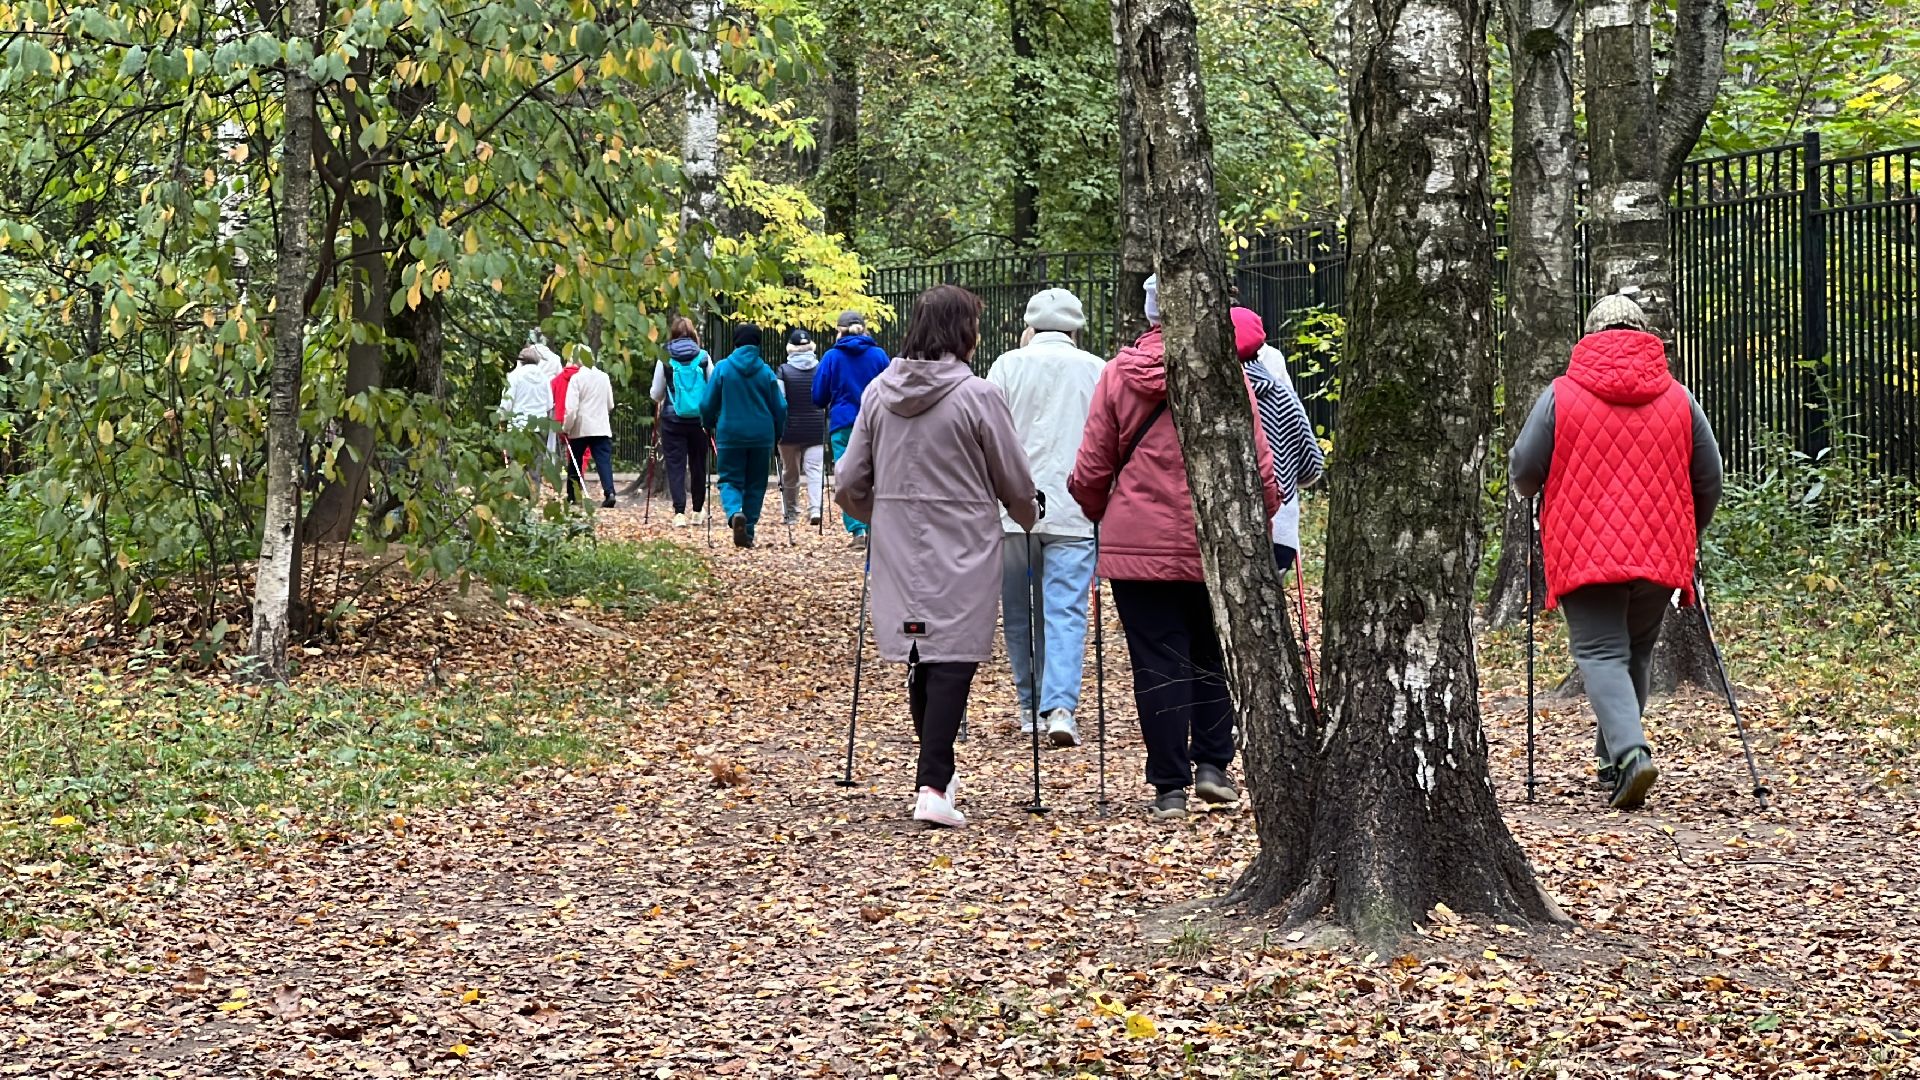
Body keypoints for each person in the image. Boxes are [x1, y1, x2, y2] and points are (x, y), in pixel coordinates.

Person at [1068, 275, 1281, 820]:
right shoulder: (1227, 372)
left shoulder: (1118, 375)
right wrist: (1262, 513)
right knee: (1212, 652)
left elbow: (1093, 463)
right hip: (1216, 540)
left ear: (1150, 315)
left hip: (1138, 546)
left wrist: (1097, 509)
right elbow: (1259, 460)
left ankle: (1169, 787)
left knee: (1157, 661)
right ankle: (1213, 765)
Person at [1509, 293, 1723, 811]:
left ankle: (1630, 754)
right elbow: (1710, 476)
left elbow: (1524, 469)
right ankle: (1612, 762)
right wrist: (1687, 532)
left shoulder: (1560, 395)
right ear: (1645, 336)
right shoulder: (1679, 398)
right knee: (1636, 650)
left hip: (1583, 548)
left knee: (1601, 651)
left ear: (1590, 337)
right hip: (1660, 550)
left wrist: (1533, 487)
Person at [835, 285, 1039, 828]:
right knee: (954, 656)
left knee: (921, 650)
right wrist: (1028, 512)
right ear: (961, 331)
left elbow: (848, 481)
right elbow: (1013, 477)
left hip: (898, 545)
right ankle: (932, 784)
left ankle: (937, 777)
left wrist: (882, 513)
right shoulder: (978, 396)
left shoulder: (878, 393)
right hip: (965, 544)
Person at [986, 288, 1106, 746]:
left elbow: (989, 435)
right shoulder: (1096, 368)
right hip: (1074, 508)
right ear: (1076, 328)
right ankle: (1059, 707)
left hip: (1014, 509)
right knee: (1066, 611)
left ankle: (1027, 704)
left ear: (1030, 326)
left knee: (1018, 610)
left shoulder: (1007, 366)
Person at [1234, 308, 1325, 571]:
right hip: (1280, 532)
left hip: (1218, 532)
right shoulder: (1282, 397)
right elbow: (1312, 467)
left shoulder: (1197, 402)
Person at [701, 324, 786, 547]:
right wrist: (777, 434)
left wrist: (708, 423)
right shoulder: (766, 372)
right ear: (758, 343)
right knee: (756, 484)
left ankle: (734, 513)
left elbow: (707, 404)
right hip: (761, 436)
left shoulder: (723, 369)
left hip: (730, 435)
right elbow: (781, 407)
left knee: (729, 479)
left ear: (736, 342)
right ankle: (747, 531)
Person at [813, 311, 892, 548]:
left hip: (844, 423)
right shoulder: (879, 355)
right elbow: (891, 388)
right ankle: (876, 526)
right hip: (875, 422)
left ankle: (857, 529)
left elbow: (818, 396)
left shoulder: (832, 357)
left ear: (839, 331)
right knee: (877, 474)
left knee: (847, 475)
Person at [650, 317, 713, 527]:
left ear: (673, 335)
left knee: (675, 464)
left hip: (672, 420)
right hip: (699, 421)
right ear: (694, 335)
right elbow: (712, 386)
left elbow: (656, 393)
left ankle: (679, 513)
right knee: (698, 464)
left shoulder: (665, 357)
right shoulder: (703, 356)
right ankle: (697, 511)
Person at [777, 329, 828, 525]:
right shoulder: (820, 368)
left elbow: (780, 401)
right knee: (815, 470)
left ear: (790, 348)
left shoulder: (783, 371)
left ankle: (790, 512)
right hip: (815, 428)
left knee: (790, 473)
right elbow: (826, 396)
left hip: (789, 430)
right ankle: (815, 509)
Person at [562, 345, 616, 508]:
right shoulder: (604, 377)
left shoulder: (577, 379)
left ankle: (572, 495)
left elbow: (571, 409)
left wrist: (566, 427)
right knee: (603, 461)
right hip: (601, 426)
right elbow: (610, 404)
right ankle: (610, 492)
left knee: (575, 461)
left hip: (581, 427)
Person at [500, 344, 555, 494]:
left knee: (517, 464)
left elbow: (507, 402)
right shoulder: (544, 378)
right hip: (539, 426)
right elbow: (549, 404)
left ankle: (518, 494)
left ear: (521, 361)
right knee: (535, 465)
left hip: (518, 427)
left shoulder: (514, 376)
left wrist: (502, 418)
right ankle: (533, 495)